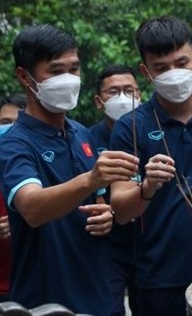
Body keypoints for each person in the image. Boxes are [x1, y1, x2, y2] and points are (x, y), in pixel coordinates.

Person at [0, 24, 138, 314]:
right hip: (45, 301)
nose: (68, 79)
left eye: (73, 69)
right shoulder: (14, 144)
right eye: (55, 71)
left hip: (99, 297)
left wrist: (106, 216)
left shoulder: (82, 135)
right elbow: (32, 209)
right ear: (24, 76)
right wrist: (90, 179)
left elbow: (98, 203)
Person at [109, 16, 192, 316]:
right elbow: (121, 211)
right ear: (145, 71)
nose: (174, 74)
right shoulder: (131, 128)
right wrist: (146, 187)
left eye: (182, 62)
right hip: (160, 281)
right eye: (161, 67)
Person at [89, 64, 141, 315]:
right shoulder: (86, 141)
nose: (123, 97)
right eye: (114, 92)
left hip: (149, 241)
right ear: (99, 101)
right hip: (108, 246)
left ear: (139, 95)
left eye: (129, 90)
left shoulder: (151, 133)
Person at [0, 94, 26, 302]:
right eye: (4, 123)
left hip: (35, 285)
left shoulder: (43, 164)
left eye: (18, 123)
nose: (11, 129)